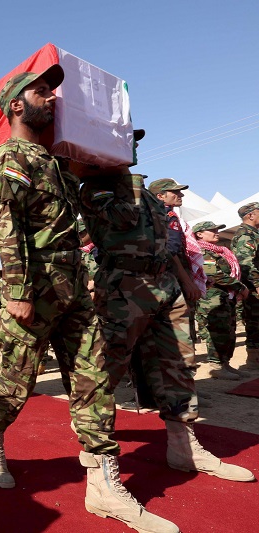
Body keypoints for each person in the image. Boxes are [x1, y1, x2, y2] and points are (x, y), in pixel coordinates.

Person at [0, 65, 180, 533]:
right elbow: (7, 229)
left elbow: (79, 231)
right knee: (17, 381)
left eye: (53, 91)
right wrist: (17, 291)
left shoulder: (57, 165)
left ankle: (104, 486)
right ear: (16, 105)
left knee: (92, 382)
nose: (53, 98)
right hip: (36, 288)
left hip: (74, 288)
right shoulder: (10, 157)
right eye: (43, 91)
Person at [77, 145, 254, 530]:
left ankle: (182, 446)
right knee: (99, 379)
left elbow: (167, 243)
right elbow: (118, 220)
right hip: (124, 286)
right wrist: (136, 187)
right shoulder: (98, 187)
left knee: (178, 366)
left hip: (165, 285)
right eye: (121, 139)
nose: (130, 145)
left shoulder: (146, 195)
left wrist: (183, 278)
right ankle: (102, 482)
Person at [192, 221, 248, 379]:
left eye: (217, 230)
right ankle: (216, 365)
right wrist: (240, 286)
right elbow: (213, 274)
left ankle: (225, 363)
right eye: (212, 230)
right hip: (212, 298)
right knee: (216, 331)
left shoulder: (221, 251)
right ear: (200, 234)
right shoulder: (201, 251)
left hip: (225, 296)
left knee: (229, 330)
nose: (217, 232)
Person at [231, 201, 259, 368]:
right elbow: (246, 263)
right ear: (251, 215)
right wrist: (256, 284)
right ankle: (254, 360)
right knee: (255, 322)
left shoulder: (253, 233)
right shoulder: (245, 235)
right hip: (253, 286)